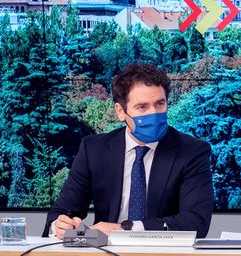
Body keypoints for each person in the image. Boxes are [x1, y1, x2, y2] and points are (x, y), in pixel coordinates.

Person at [44, 63, 214, 239]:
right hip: (105, 250)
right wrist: (59, 225)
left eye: (160, 104)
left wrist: (125, 229)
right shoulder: (93, 150)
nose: (154, 113)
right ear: (121, 111)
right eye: (142, 107)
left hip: (164, 251)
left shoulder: (192, 152)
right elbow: (62, 211)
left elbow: (196, 222)